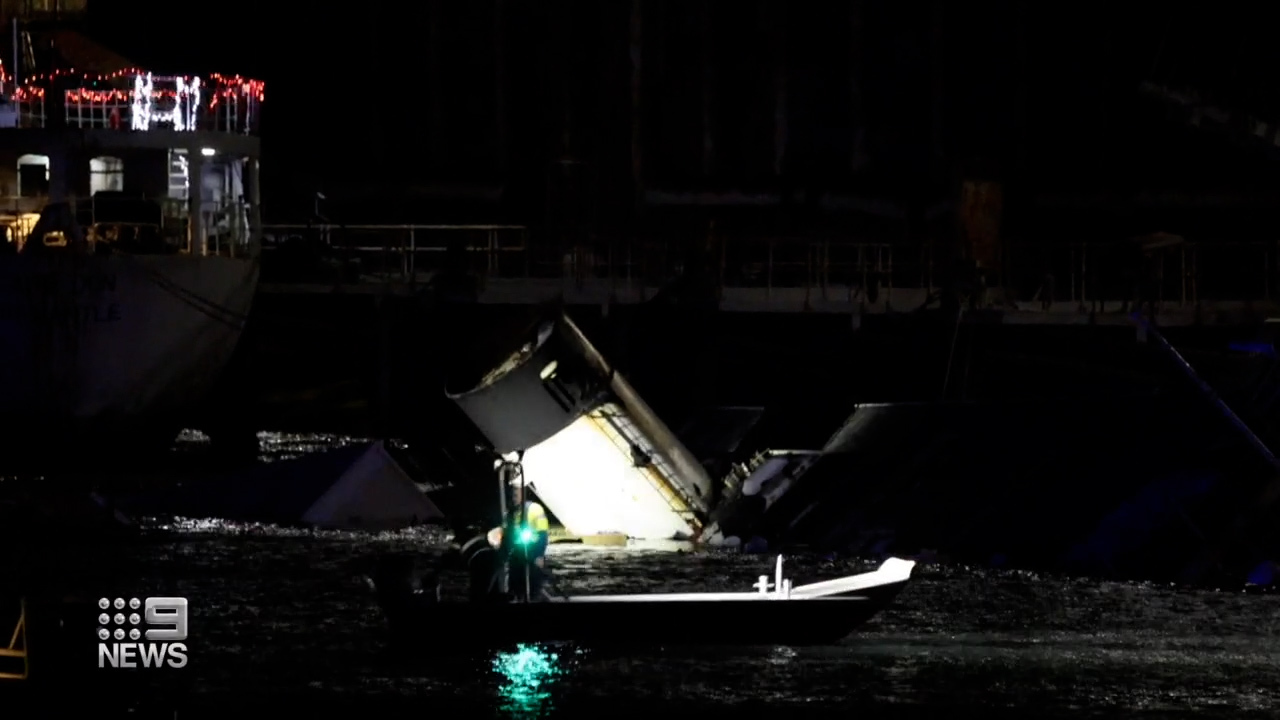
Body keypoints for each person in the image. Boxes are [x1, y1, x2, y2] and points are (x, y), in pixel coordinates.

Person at [498, 482, 551, 601]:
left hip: (532, 553)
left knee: (533, 588)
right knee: (515, 588)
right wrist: (502, 556)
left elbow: (543, 534)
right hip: (516, 556)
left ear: (523, 492)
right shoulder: (509, 514)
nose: (513, 496)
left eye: (516, 493)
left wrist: (539, 555)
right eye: (512, 494)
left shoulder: (534, 509)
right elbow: (506, 537)